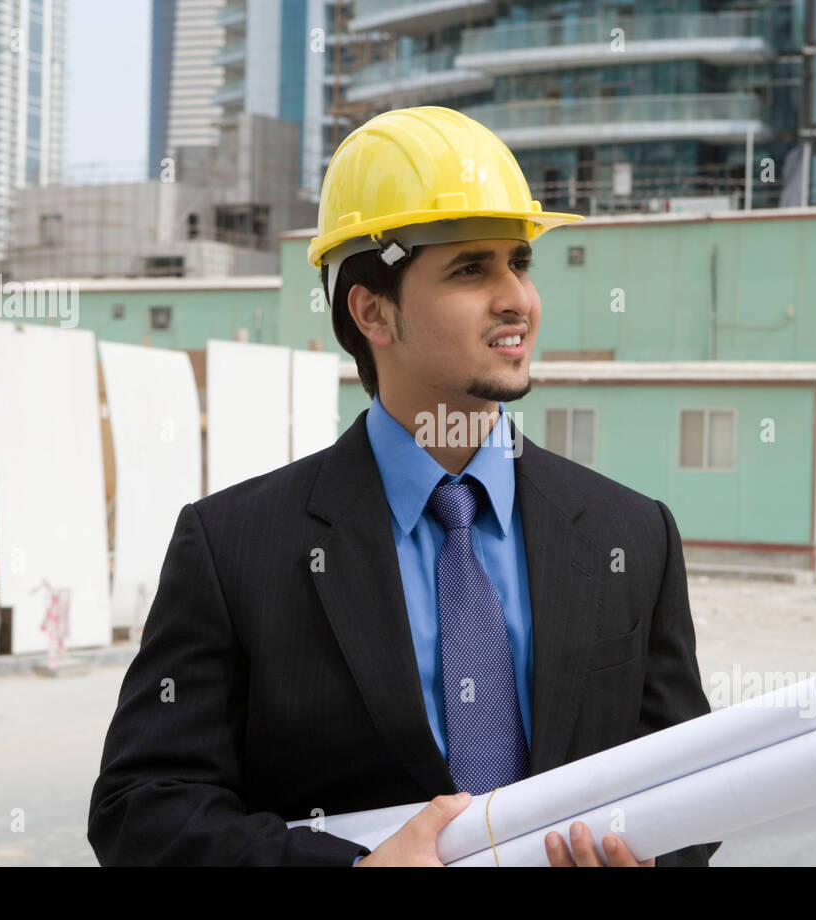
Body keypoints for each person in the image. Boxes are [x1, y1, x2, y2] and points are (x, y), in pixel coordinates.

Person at [87, 105, 719, 867]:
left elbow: (691, 787)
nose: (516, 297)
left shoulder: (632, 535)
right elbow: (143, 811)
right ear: (372, 311)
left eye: (518, 262)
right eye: (470, 269)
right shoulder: (236, 550)